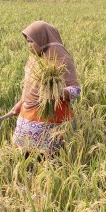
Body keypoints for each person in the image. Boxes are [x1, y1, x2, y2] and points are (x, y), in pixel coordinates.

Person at [11, 21, 81, 154]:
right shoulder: (34, 59)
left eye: (31, 42)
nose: (29, 46)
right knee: (22, 156)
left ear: (42, 39)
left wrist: (57, 91)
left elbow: (76, 90)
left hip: (52, 122)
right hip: (27, 118)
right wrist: (20, 103)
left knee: (49, 158)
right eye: (28, 42)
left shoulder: (62, 59)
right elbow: (29, 87)